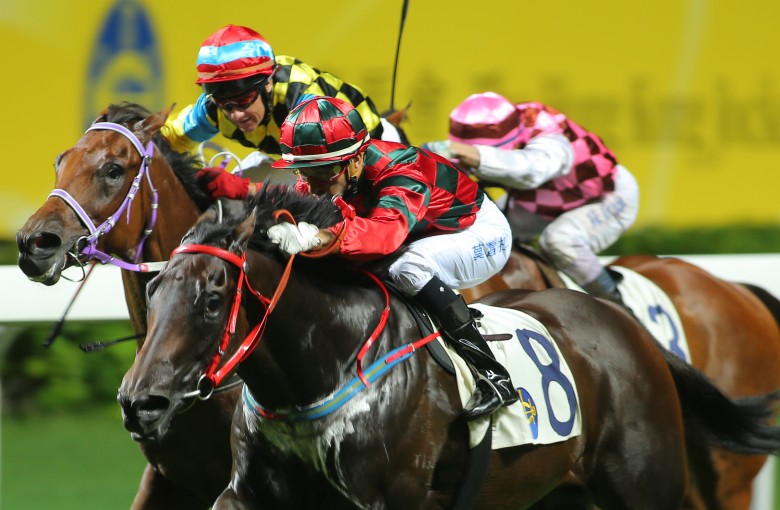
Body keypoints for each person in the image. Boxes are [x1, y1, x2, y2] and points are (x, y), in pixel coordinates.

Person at [201, 96, 517, 420]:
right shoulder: (321, 172)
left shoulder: (403, 168)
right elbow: (295, 199)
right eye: (303, 170)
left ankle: (492, 374)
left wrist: (319, 236)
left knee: (407, 268)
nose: (313, 184)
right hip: (418, 229)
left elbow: (384, 234)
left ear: (356, 160)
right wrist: (240, 189)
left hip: (474, 231)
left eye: (324, 171)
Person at [424, 92, 640, 307]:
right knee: (486, 231)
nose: (469, 155)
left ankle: (618, 306)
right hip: (540, 200)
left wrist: (467, 152)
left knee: (559, 241)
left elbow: (532, 171)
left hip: (605, 196)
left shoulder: (546, 129)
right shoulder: (493, 134)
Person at [161, 24, 404, 197]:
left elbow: (320, 187)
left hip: (366, 160)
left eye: (244, 99)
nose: (235, 114)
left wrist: (243, 189)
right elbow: (166, 142)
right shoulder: (213, 107)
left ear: (268, 83)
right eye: (226, 104)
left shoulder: (305, 105)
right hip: (302, 162)